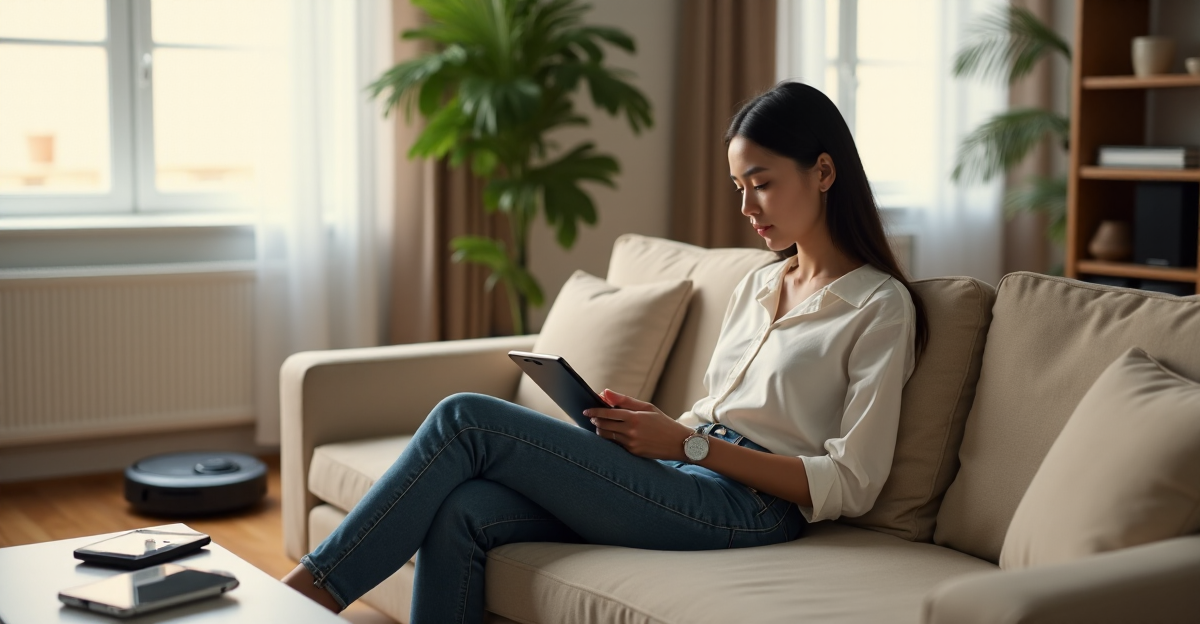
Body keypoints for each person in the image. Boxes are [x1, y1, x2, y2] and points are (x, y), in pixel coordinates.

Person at [282, 81, 930, 623]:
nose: (745, 206)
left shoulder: (879, 306)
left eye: (760, 183)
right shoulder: (760, 283)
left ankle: (300, 600)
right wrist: (661, 430)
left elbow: (852, 482)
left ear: (823, 172)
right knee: (464, 510)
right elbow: (719, 410)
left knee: (465, 418)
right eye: (738, 185)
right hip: (689, 470)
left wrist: (688, 446)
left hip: (753, 506)